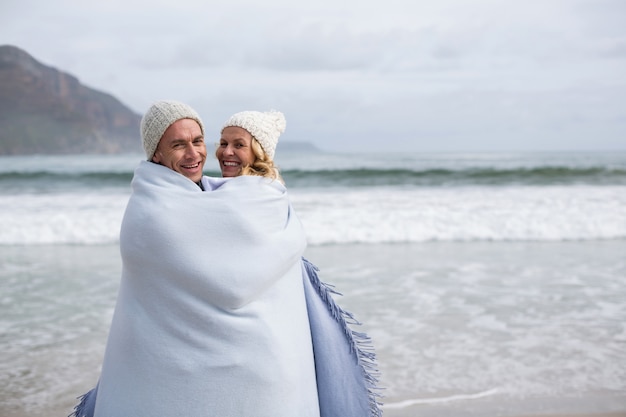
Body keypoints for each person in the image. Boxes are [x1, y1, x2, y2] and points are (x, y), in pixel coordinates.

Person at [71, 103, 381, 417]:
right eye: (178, 145)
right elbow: (230, 285)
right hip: (171, 368)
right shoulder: (151, 211)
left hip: (262, 365)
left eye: (197, 141)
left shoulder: (225, 197)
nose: (194, 153)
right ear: (156, 154)